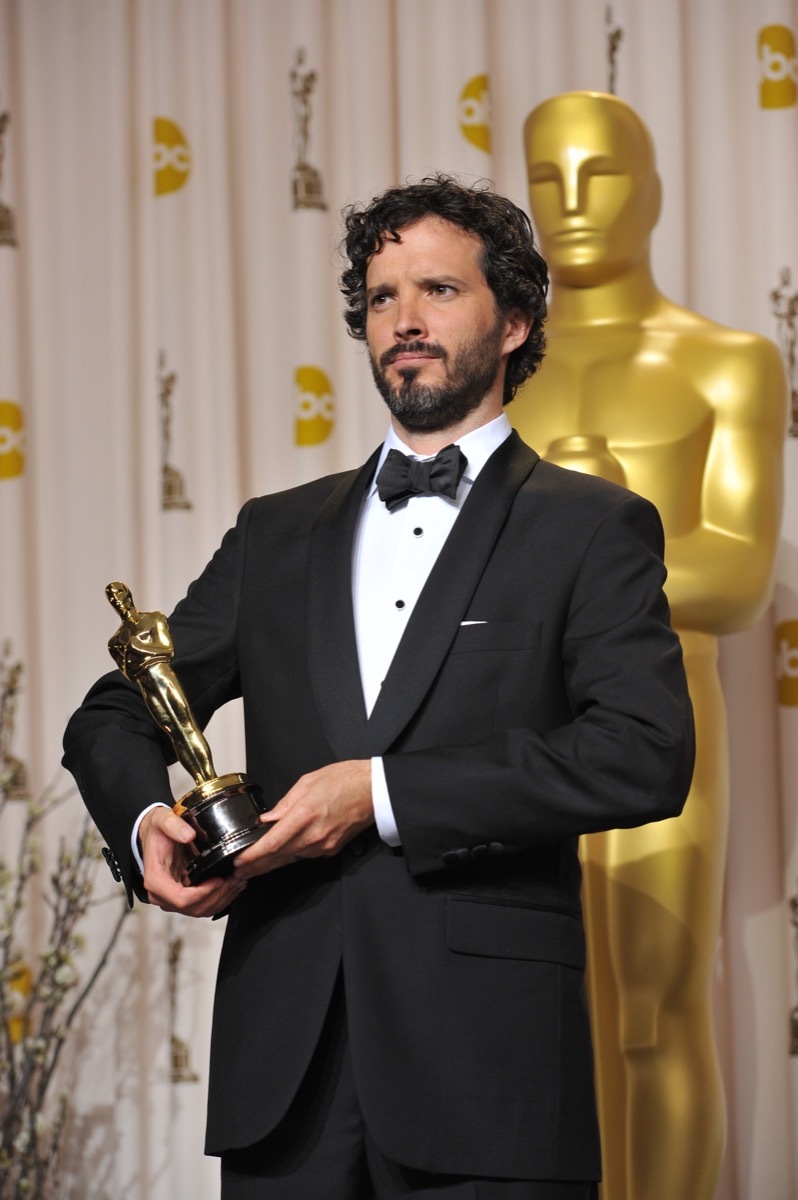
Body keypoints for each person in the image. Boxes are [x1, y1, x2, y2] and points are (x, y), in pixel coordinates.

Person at [63, 174, 695, 1200]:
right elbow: (120, 705)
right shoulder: (277, 533)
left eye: (438, 291)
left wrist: (385, 794)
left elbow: (644, 752)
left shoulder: (590, 527)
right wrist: (148, 829)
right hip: (285, 1074)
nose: (402, 320)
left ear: (517, 319)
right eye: (381, 296)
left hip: (489, 1074)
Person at [515, 93, 786, 1200]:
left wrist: (596, 548)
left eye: (603, 174)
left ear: (655, 189)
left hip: (666, 718)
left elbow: (732, 579)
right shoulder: (495, 378)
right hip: (514, 730)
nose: (573, 204)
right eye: (548, 179)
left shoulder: (727, 362)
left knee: (653, 1004)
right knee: (532, 1017)